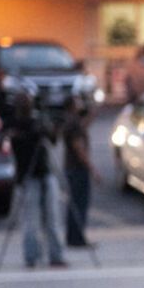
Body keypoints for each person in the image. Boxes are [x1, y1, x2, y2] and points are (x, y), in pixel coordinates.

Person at [8, 94, 67, 269]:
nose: (27, 107)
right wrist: (17, 135)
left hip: (45, 173)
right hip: (27, 176)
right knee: (30, 220)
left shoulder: (38, 122)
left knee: (53, 218)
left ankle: (56, 255)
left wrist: (53, 127)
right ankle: (32, 256)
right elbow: (0, 142)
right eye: (23, 104)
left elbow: (53, 140)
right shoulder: (14, 124)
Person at [62, 97, 99, 247]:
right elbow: (79, 148)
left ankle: (74, 236)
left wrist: (92, 112)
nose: (81, 105)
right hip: (77, 169)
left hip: (72, 168)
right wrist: (92, 169)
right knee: (79, 205)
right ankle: (77, 238)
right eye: (77, 102)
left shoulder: (72, 122)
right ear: (72, 106)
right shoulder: (73, 124)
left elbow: (84, 126)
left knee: (75, 204)